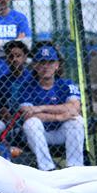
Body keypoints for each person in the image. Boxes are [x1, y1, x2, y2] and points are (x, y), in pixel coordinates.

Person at [18, 43, 86, 171]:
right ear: (35, 66)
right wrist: (60, 116)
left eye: (50, 62)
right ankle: (48, 169)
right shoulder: (26, 87)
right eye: (42, 62)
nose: (46, 66)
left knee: (76, 121)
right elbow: (28, 115)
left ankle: (75, 169)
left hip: (62, 132)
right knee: (31, 123)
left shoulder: (66, 84)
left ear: (57, 65)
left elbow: (74, 109)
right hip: (41, 134)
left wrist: (40, 108)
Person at [0, 40, 33, 124]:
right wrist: (2, 110)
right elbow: (0, 105)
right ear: (6, 59)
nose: (14, 59)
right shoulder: (1, 82)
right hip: (10, 122)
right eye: (11, 56)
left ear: (25, 57)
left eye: (18, 56)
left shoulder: (33, 78)